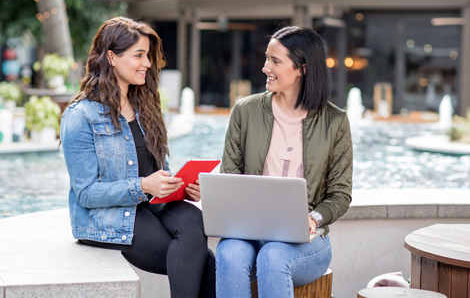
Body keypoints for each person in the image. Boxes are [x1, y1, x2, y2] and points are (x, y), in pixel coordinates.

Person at [60, 17, 215, 298]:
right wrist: (143, 186)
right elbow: (85, 193)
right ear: (111, 57)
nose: (147, 63)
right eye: (139, 55)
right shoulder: (80, 115)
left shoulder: (146, 105)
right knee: (204, 262)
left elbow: (160, 169)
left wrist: (179, 187)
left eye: (148, 55)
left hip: (150, 205)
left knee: (195, 222)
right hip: (109, 214)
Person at [216, 26, 353, 298]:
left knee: (273, 256)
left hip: (306, 243)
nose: (266, 67)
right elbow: (229, 178)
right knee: (229, 253)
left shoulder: (335, 121)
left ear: (301, 68)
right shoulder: (245, 111)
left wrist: (314, 217)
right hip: (250, 232)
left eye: (275, 61)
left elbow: (340, 194)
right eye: (266, 58)